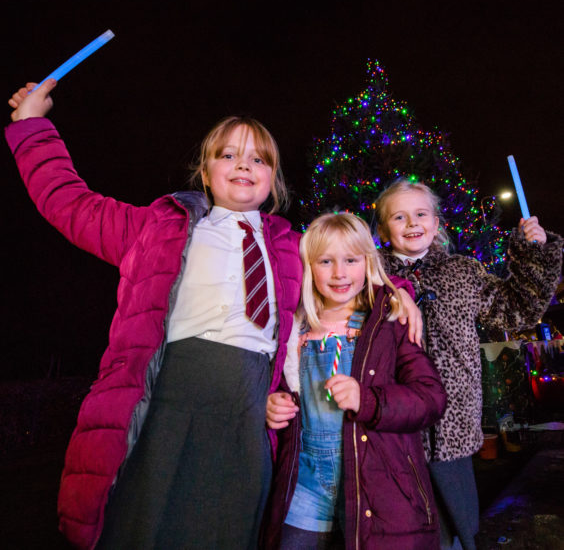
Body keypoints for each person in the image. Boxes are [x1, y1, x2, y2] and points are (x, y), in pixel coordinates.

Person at [6, 79, 303, 550]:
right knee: (144, 523)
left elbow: (353, 276)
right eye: (228, 155)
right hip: (167, 397)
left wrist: (401, 291)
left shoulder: (295, 248)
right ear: (205, 172)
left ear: (274, 179)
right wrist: (33, 127)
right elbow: (71, 203)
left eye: (259, 158)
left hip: (247, 412)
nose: (244, 164)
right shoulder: (154, 227)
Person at [374, 179, 563, 550]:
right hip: (394, 424)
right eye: (399, 216)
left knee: (457, 524)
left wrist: (534, 254)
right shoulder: (371, 274)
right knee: (403, 523)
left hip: (452, 425)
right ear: (382, 229)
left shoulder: (463, 272)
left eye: (421, 214)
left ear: (436, 221)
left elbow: (518, 308)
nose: (412, 223)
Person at [262, 212, 447, 549]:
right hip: (305, 487)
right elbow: (271, 385)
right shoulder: (291, 330)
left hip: (380, 486)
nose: (339, 273)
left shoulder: (390, 321)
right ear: (307, 267)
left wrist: (368, 400)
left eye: (351, 260)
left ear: (368, 261)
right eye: (325, 261)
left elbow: (431, 399)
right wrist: (273, 402)